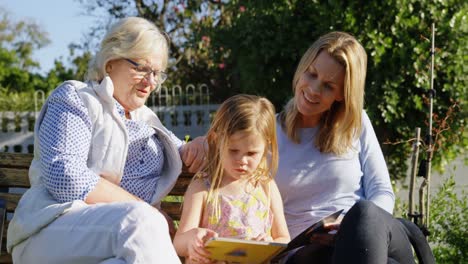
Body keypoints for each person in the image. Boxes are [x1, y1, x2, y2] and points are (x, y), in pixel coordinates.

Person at [7, 17, 205, 263]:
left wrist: (196, 146)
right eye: (141, 68)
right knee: (143, 220)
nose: (151, 81)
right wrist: (145, 209)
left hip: (115, 245)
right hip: (50, 229)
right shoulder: (76, 98)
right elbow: (64, 175)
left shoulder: (148, 120)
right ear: (110, 62)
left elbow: (183, 150)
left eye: (156, 73)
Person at [275, 31, 416, 263]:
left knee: (364, 214)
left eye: (329, 86)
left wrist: (350, 227)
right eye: (311, 74)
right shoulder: (267, 130)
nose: (313, 90)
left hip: (364, 237)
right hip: (306, 253)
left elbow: (382, 191)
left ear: (343, 94)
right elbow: (227, 148)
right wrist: (199, 144)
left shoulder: (357, 124)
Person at [173, 94, 290, 263]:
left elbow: (284, 238)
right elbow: (179, 242)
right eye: (233, 150)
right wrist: (192, 239)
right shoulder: (204, 187)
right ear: (216, 140)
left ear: (266, 147)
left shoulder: (265, 186)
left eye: (251, 153)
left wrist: (270, 243)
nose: (242, 160)